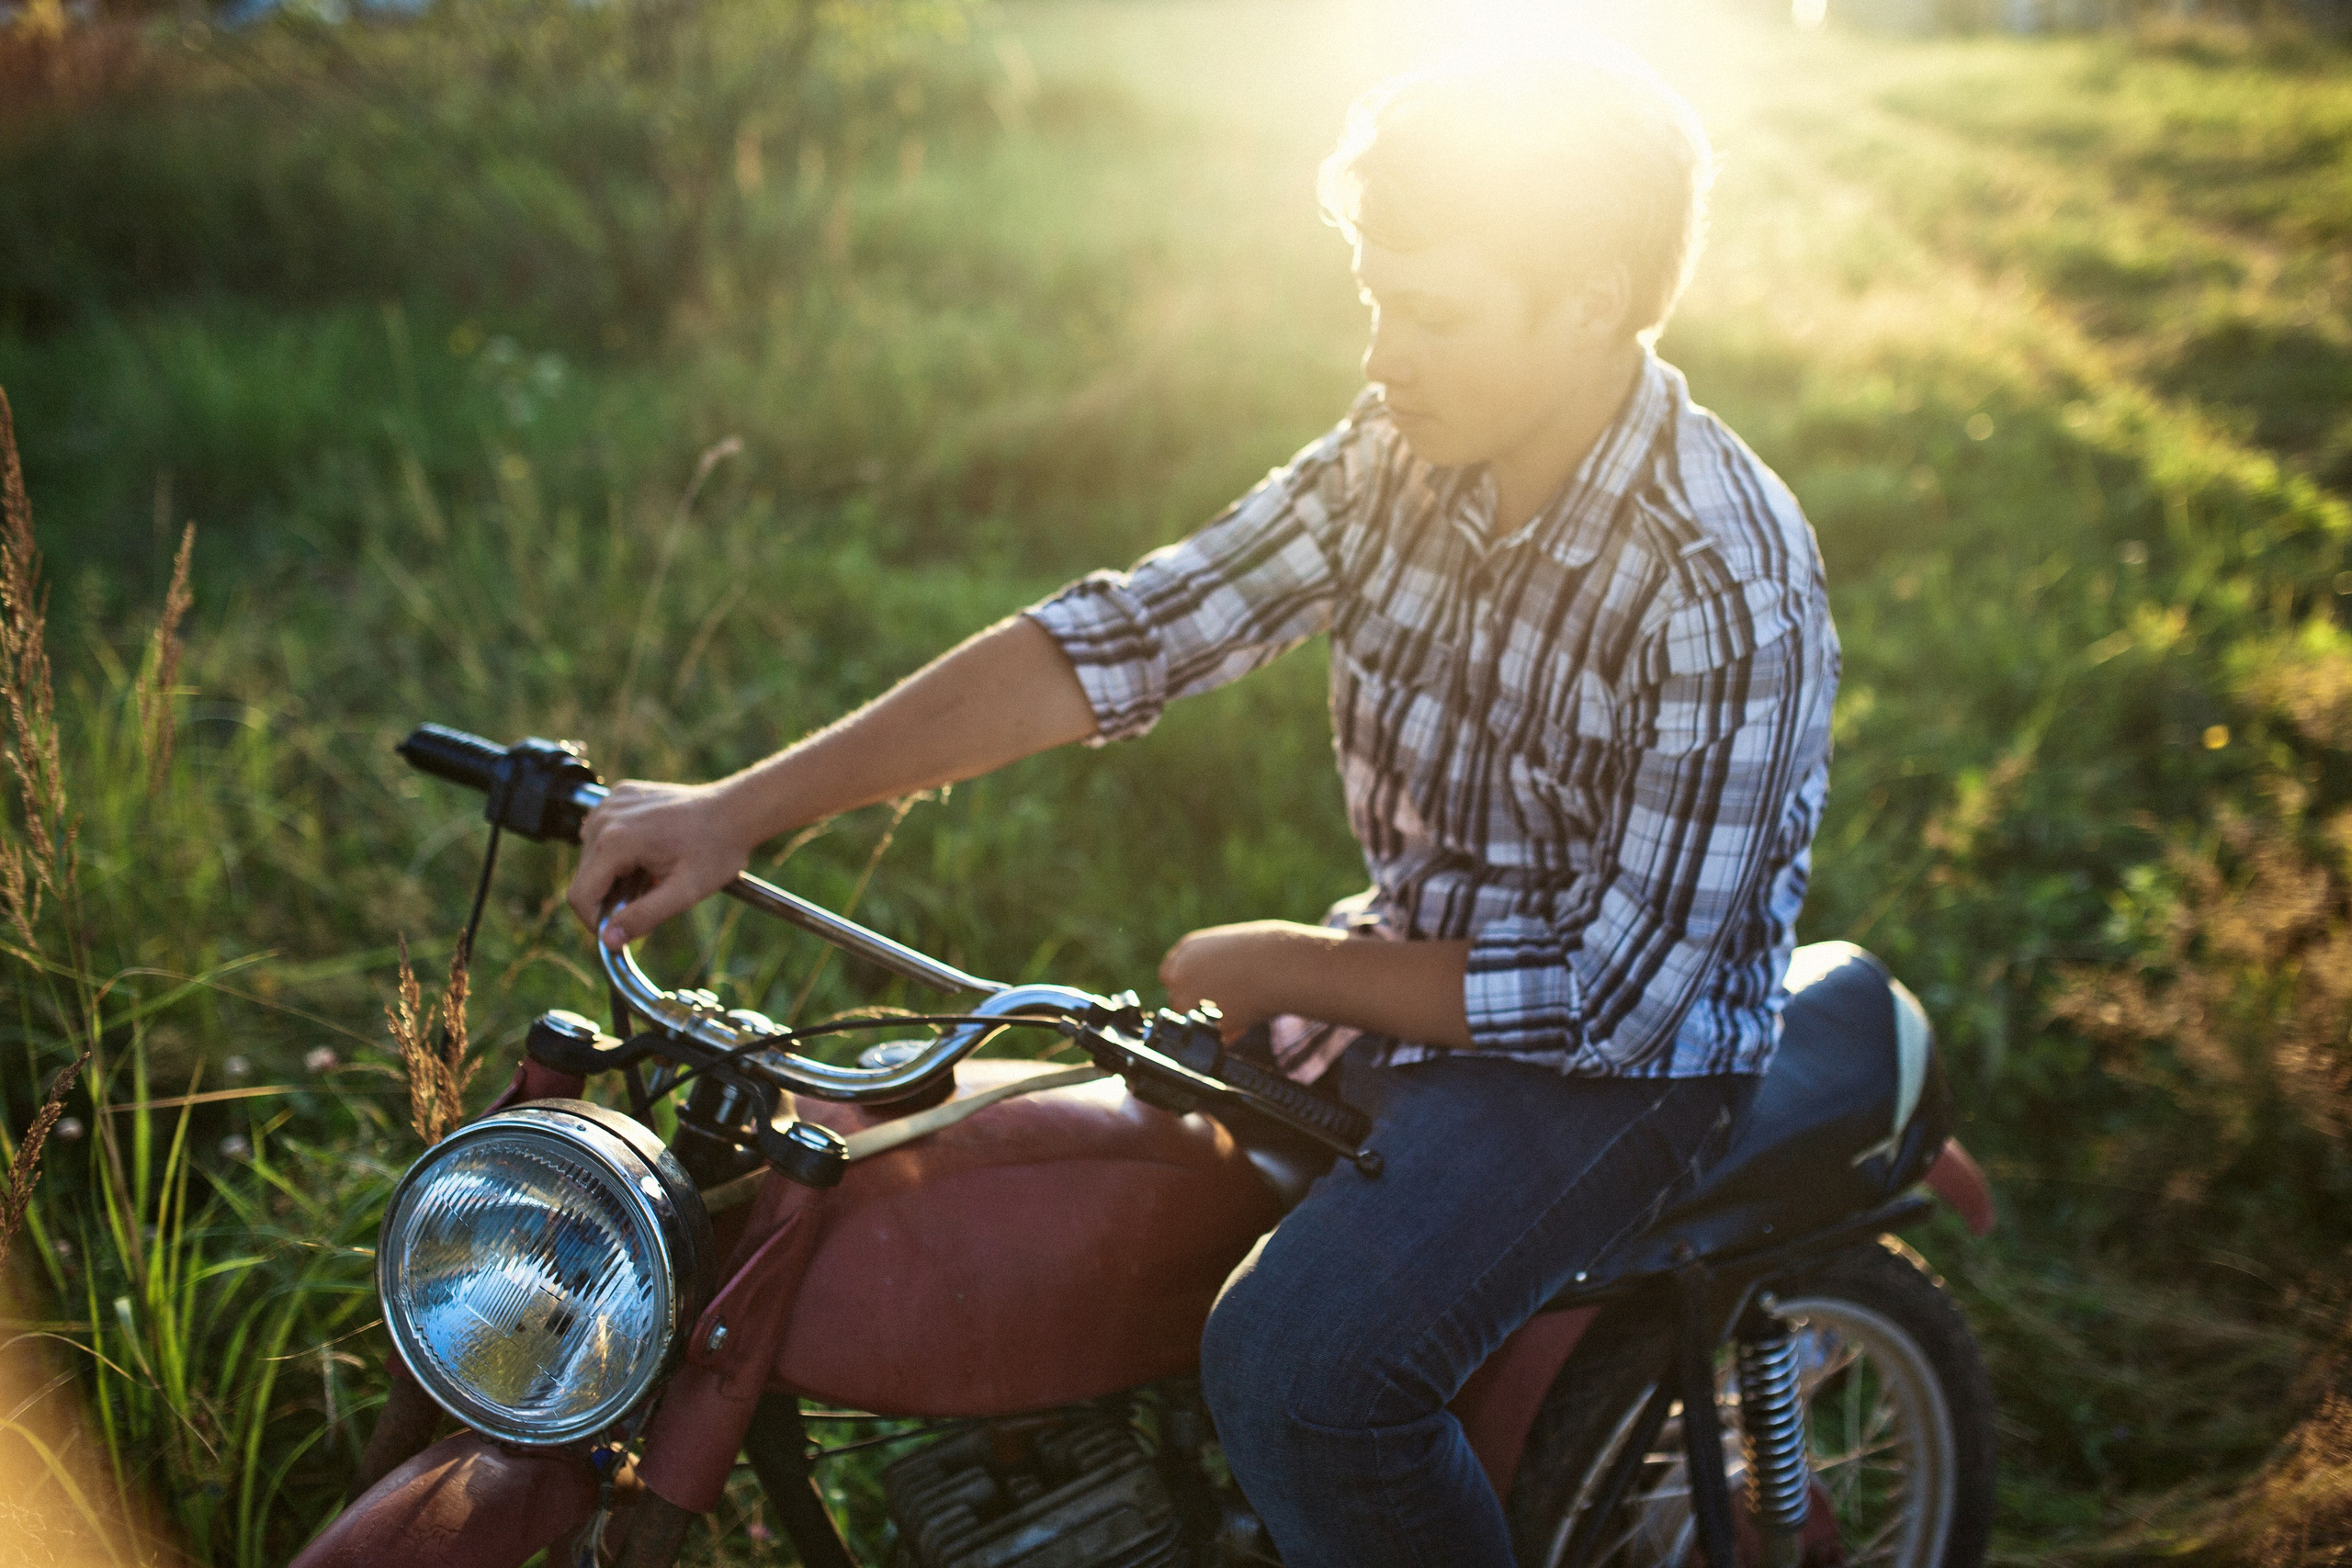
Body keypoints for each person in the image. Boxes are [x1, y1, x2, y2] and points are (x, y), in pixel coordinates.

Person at [567, 40, 1838, 1568]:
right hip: (1418, 971)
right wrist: (739, 812)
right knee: (970, 1189)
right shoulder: (1402, 458)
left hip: (1619, 1075)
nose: (1383, 357)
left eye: (1431, 314)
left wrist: (1280, 966)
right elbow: (1126, 635)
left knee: (1303, 1377)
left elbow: (1620, 999)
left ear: (1588, 305)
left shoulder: (1719, 575)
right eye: (1377, 301)